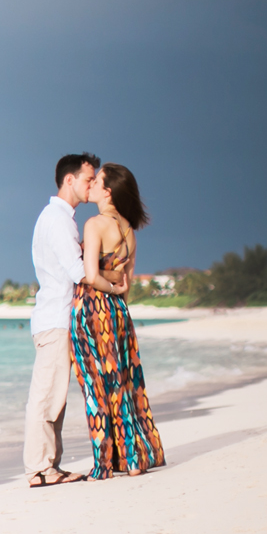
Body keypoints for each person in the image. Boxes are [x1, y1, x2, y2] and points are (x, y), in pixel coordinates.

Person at [24, 153, 116, 487]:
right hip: (56, 318)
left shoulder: (59, 218)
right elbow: (80, 272)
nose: (92, 185)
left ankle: (49, 465)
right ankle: (39, 468)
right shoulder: (58, 219)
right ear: (70, 180)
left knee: (54, 398)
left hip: (57, 317)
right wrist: (115, 283)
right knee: (46, 397)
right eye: (89, 179)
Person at [70, 163, 165, 479]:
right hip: (119, 313)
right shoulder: (128, 229)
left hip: (94, 310)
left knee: (97, 385)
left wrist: (106, 284)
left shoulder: (95, 224)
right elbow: (127, 281)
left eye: (96, 180)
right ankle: (137, 455)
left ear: (107, 191)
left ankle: (108, 462)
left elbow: (92, 275)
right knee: (125, 381)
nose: (92, 184)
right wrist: (115, 287)